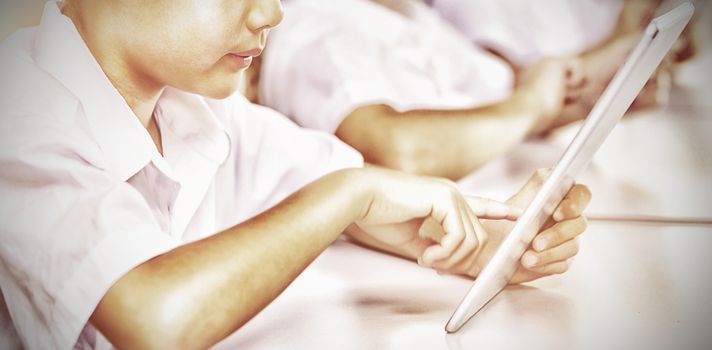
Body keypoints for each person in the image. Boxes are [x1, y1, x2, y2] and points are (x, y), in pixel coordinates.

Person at [0, 0, 590, 349]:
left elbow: (345, 198)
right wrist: (350, 194)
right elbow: (155, 320)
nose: (272, 12)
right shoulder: (18, 117)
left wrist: (483, 241)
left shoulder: (197, 108)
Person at [255, 0, 678, 180]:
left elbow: (488, 109)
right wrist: (533, 106)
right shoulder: (318, 29)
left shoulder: (407, 13)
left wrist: (591, 94)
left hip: (501, 196)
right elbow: (397, 149)